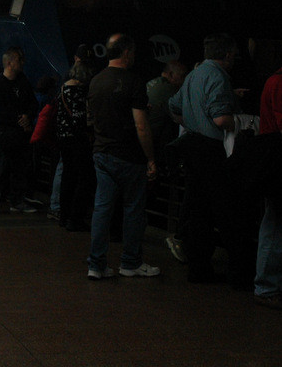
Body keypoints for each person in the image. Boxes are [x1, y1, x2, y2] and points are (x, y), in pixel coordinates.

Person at [167, 33, 247, 286]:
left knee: (199, 211)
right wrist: (245, 123)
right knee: (226, 211)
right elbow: (221, 119)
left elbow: (173, 106)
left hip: (191, 146)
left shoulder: (194, 75)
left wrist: (191, 120)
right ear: (227, 54)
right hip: (211, 149)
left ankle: (199, 268)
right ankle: (240, 273)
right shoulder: (218, 76)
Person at [85, 34, 160, 279]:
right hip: (129, 156)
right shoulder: (133, 82)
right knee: (133, 209)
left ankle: (96, 265)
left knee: (102, 209)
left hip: (102, 152)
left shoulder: (95, 81)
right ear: (126, 52)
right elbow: (141, 126)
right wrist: (150, 157)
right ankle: (130, 262)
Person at [0, 48, 39, 215]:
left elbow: (33, 103)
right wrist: (19, 118)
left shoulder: (22, 81)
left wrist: (28, 116)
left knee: (19, 169)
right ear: (9, 63)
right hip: (3, 135)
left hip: (20, 135)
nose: (22, 63)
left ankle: (17, 200)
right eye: (19, 60)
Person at [253, 55, 282, 309]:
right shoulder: (281, 82)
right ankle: (267, 287)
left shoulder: (276, 80)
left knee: (276, 223)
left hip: (273, 159)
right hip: (279, 162)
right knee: (276, 223)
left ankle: (270, 285)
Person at [55, 62, 95, 231]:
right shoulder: (80, 92)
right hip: (78, 139)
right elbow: (82, 118)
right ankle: (75, 218)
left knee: (67, 175)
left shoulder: (63, 89)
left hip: (63, 137)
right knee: (85, 177)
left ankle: (63, 216)